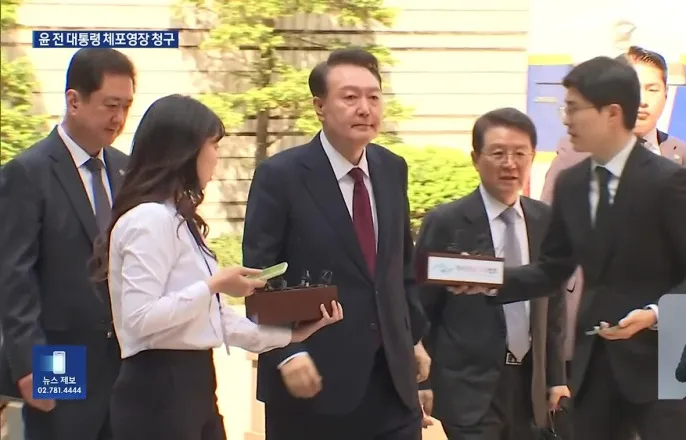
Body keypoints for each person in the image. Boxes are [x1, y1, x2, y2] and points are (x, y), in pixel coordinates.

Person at [453, 56, 686, 440]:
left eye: (575, 108)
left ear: (612, 113)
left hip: (664, 360)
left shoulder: (669, 181)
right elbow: (552, 269)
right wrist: (488, 278)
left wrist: (654, 314)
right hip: (594, 361)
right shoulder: (571, 183)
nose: (565, 119)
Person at [89, 94, 343, 440]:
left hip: (195, 382)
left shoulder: (179, 220)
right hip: (157, 388)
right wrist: (213, 285)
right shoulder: (149, 219)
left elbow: (216, 319)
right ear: (185, 152)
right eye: (214, 146)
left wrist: (292, 335)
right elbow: (140, 318)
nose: (217, 158)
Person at [242, 47, 430, 440]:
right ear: (319, 106)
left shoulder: (391, 168)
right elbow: (259, 277)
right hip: (313, 382)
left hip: (391, 383)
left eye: (373, 97)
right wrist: (285, 351)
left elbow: (399, 267)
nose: (365, 108)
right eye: (350, 97)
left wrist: (413, 339)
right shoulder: (281, 176)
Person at [0, 48, 136, 440]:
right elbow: (15, 277)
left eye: (126, 106)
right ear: (74, 101)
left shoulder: (126, 169)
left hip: (123, 362)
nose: (119, 118)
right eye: (110, 105)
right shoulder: (28, 173)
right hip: (60, 354)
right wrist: (29, 365)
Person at [415, 108, 569, 440]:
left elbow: (554, 307)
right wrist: (421, 380)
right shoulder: (447, 222)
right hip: (468, 389)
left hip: (529, 389)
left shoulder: (546, 220)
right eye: (498, 153)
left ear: (532, 156)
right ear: (475, 158)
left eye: (520, 153)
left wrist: (556, 378)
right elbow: (420, 305)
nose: (510, 164)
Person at [539, 46, 686, 370]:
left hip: (665, 345)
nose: (643, 100)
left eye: (653, 89)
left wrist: (658, 313)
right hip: (591, 336)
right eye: (635, 88)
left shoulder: (677, 163)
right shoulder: (573, 164)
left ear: (666, 94)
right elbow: (548, 247)